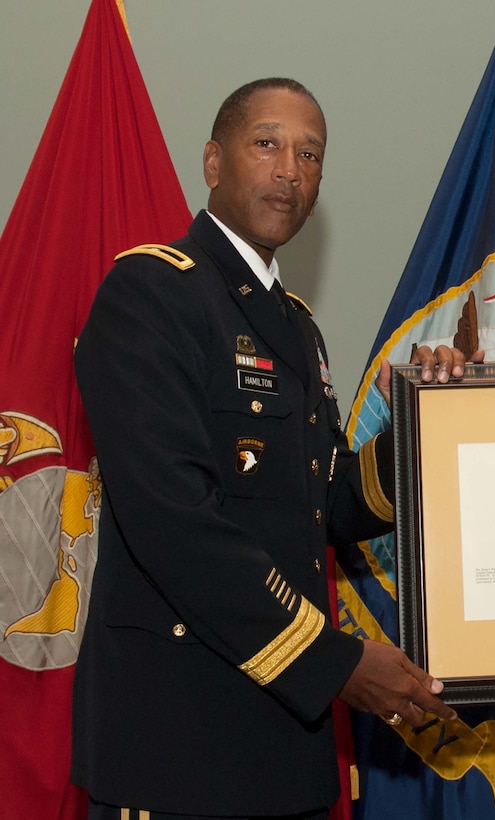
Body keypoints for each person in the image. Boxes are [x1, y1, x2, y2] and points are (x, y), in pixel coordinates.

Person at [72, 78, 470, 820]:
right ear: (214, 162)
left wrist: (425, 422)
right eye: (267, 144)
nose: (290, 168)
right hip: (178, 741)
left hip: (287, 744)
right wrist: (338, 664)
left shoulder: (294, 326)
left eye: (310, 154)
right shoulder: (149, 293)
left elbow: (328, 501)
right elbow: (172, 522)